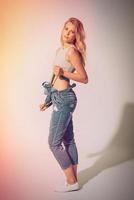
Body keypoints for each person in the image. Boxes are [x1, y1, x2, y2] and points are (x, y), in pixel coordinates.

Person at [39, 17, 88, 192]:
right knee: (68, 140)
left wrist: (64, 72)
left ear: (77, 35)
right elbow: (54, 78)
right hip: (58, 97)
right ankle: (73, 181)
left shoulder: (72, 52)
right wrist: (47, 100)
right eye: (66, 29)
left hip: (65, 98)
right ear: (62, 30)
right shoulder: (60, 49)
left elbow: (84, 78)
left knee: (53, 143)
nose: (68, 33)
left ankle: (71, 181)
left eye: (72, 31)